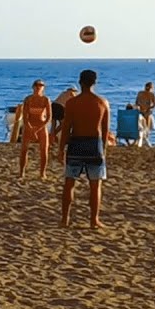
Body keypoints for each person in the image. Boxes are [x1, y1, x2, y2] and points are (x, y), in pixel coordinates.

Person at [58, 70, 110, 228]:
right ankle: (94, 220)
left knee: (69, 182)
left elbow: (66, 127)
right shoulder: (103, 103)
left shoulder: (72, 103)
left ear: (80, 83)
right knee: (95, 185)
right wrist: (104, 150)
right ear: (95, 83)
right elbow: (105, 131)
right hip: (94, 144)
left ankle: (65, 219)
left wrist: (61, 148)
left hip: (76, 143)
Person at [16, 80, 52, 179]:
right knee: (24, 150)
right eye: (37, 85)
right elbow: (25, 116)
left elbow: (48, 117)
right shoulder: (28, 99)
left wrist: (38, 129)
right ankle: (21, 173)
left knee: (44, 151)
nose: (38, 87)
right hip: (29, 126)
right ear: (33, 87)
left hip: (41, 127)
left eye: (41, 85)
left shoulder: (46, 100)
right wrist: (30, 128)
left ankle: (42, 173)